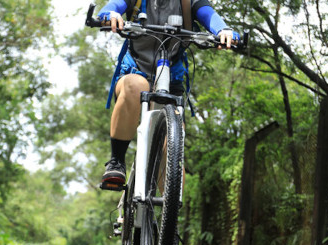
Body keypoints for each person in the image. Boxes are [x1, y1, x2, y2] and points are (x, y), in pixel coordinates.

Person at [98, 0, 238, 186]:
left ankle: (169, 209)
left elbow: (207, 13)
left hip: (170, 75)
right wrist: (110, 15)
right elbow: (114, 6)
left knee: (172, 141)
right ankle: (117, 161)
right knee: (135, 86)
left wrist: (222, 30)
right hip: (136, 69)